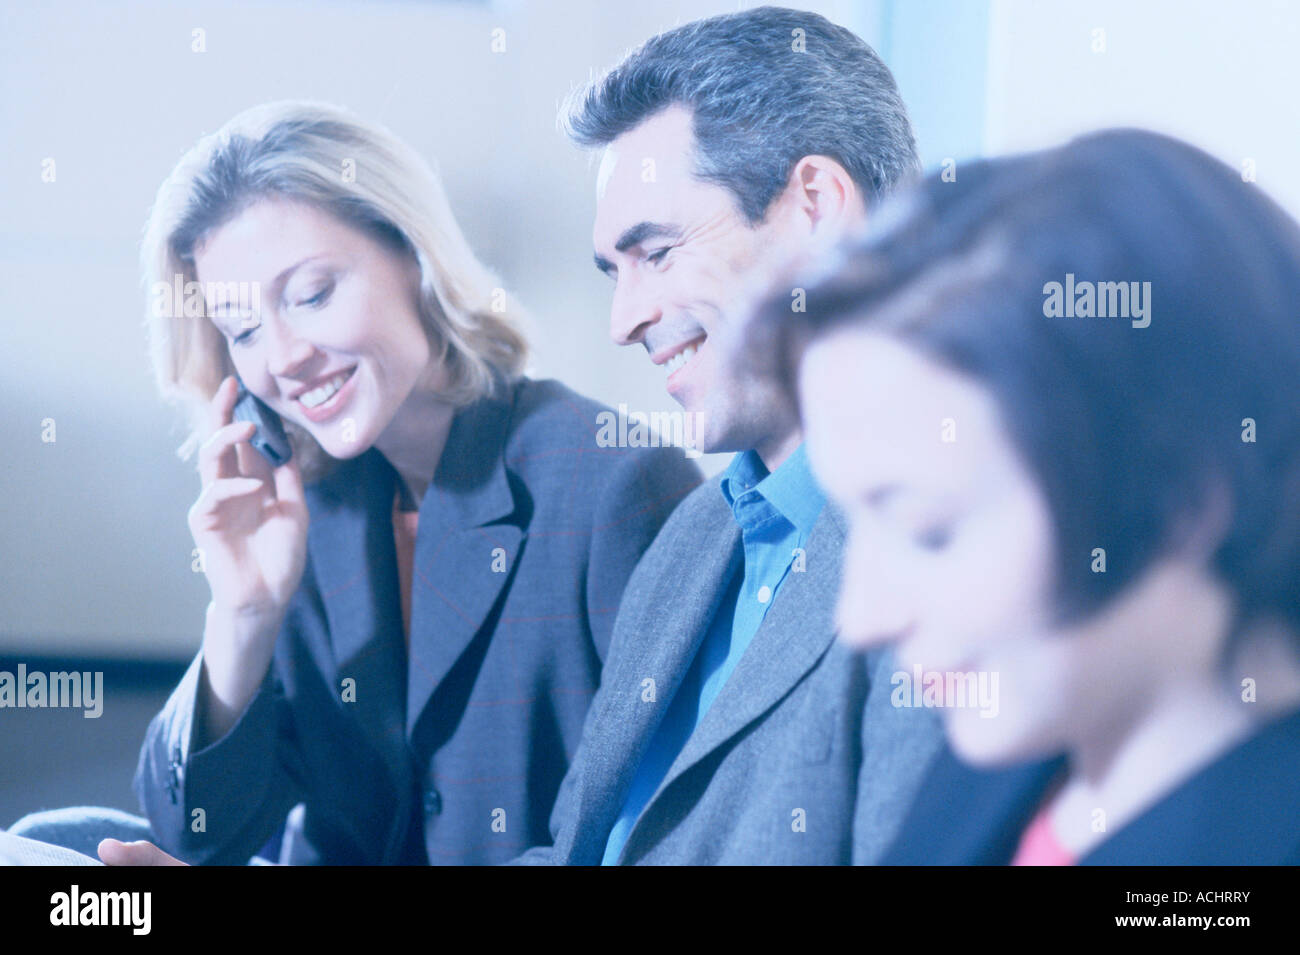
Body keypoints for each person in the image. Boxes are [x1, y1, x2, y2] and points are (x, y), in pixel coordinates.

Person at [8, 100, 700, 865]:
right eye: (241, 330)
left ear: (415, 257)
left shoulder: (615, 485)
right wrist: (242, 615)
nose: (283, 357)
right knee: (50, 850)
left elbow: (647, 838)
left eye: (310, 295)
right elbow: (198, 834)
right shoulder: (313, 503)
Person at [753, 127, 1300, 864]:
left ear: (1184, 500)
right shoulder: (1018, 742)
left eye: (928, 529)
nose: (861, 618)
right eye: (855, 523)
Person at [511, 6, 943, 865]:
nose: (624, 320)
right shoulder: (693, 539)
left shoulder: (954, 534)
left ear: (817, 207)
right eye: (614, 272)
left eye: (658, 253)